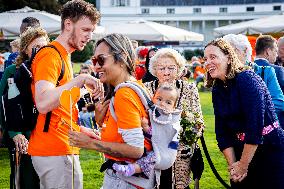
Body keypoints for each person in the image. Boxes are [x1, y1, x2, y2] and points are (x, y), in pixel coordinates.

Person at [27, 1, 101, 189]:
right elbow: (43, 102)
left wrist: (83, 131)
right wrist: (80, 79)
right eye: (85, 29)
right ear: (68, 24)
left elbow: (59, 111)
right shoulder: (50, 55)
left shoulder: (63, 55)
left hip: (60, 147)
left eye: (92, 30)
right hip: (54, 149)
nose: (89, 36)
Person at [69, 33, 153, 189]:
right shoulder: (133, 87)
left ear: (121, 58)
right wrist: (100, 125)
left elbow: (135, 150)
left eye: (101, 59)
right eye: (94, 60)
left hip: (126, 181)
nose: (96, 66)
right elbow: (125, 136)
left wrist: (91, 143)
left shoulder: (124, 94)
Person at [204, 38, 284, 189]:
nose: (208, 62)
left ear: (228, 57)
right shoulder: (218, 88)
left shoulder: (247, 79)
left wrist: (243, 165)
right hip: (241, 150)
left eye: (213, 57)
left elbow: (255, 128)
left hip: (270, 150)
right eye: (206, 58)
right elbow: (221, 132)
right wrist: (234, 165)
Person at [144, 48, 205, 189]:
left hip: (181, 157)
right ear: (154, 69)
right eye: (162, 68)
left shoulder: (190, 89)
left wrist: (187, 131)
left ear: (178, 69)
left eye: (171, 68)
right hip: (152, 155)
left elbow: (199, 123)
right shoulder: (145, 89)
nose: (166, 72)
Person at [0, 26, 49, 189]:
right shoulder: (12, 71)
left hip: (48, 136)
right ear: (25, 49)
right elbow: (3, 105)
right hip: (23, 136)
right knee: (25, 181)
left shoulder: (52, 71)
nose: (41, 51)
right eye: (36, 47)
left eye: (44, 47)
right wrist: (15, 133)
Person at [112, 83, 180, 178]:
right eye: (159, 99)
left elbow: (161, 135)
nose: (162, 103)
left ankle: (131, 169)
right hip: (148, 147)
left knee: (151, 158)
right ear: (153, 98)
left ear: (174, 107)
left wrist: (146, 128)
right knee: (145, 155)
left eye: (168, 102)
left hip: (164, 151)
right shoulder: (152, 111)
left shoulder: (170, 118)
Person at [223, 34, 284, 129]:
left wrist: (252, 114)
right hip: (235, 134)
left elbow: (279, 102)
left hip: (264, 132)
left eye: (233, 51)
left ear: (245, 51)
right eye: (225, 53)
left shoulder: (266, 71)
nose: (228, 56)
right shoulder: (225, 77)